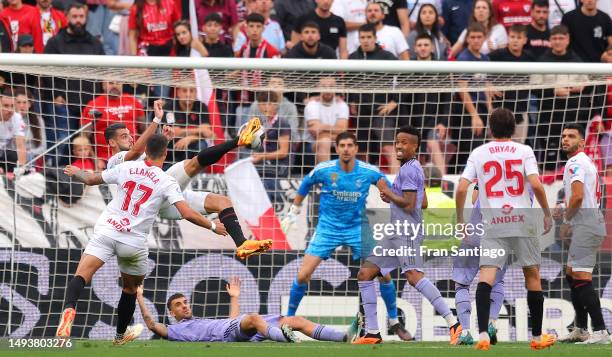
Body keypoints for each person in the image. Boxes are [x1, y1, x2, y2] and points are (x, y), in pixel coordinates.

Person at [56, 133, 229, 343]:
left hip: (108, 230)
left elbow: (91, 179)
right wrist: (212, 225)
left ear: (145, 151)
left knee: (81, 276)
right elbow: (186, 213)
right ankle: (120, 335)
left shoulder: (125, 167)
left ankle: (68, 310)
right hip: (133, 242)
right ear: (165, 153)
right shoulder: (166, 180)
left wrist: (76, 172)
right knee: (130, 289)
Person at [281, 131, 413, 342]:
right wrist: (293, 212)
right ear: (336, 148)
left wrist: (386, 193)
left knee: (384, 274)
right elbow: (305, 184)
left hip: (357, 228)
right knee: (302, 275)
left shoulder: (368, 171)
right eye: (342, 145)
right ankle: (287, 321)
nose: (346, 149)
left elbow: (383, 184)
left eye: (350, 145)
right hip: (327, 228)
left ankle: (394, 321)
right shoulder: (324, 170)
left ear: (356, 148)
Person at [100, 101, 273, 259]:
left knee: (222, 202)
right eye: (124, 136)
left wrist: (164, 141)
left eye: (130, 134)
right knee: (192, 164)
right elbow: (136, 154)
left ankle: (242, 244)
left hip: (166, 196)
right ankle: (239, 140)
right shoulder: (115, 161)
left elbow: (151, 160)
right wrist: (156, 120)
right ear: (112, 143)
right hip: (157, 197)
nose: (130, 138)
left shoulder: (137, 156)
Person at [455, 107, 555, 350]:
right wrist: (546, 213)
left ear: (490, 129)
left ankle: (482, 335)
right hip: (522, 223)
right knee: (532, 277)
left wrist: (461, 220)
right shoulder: (525, 151)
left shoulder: (479, 153)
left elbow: (461, 188)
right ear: (513, 128)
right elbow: (537, 185)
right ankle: (537, 336)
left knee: (486, 277)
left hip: (494, 225)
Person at [354, 126, 461, 345]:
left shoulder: (410, 169)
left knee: (413, 277)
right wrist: (393, 197)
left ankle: (454, 323)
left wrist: (389, 193)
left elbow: (412, 205)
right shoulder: (411, 168)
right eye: (397, 141)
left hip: (407, 232)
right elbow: (423, 201)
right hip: (395, 232)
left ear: (415, 147)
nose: (399, 146)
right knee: (365, 274)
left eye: (404, 142)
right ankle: (373, 333)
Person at [136, 277, 347, 343]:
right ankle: (285, 338)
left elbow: (233, 322)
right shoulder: (175, 331)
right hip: (231, 333)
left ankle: (344, 337)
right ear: (172, 313)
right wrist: (138, 296)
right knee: (253, 317)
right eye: (178, 305)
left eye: (185, 302)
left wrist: (234, 298)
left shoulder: (200, 320)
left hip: (237, 330)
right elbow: (152, 324)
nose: (184, 306)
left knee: (295, 320)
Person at [557, 124, 610, 344]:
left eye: (571, 136)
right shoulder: (584, 162)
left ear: (582, 142)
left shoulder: (575, 162)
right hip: (589, 224)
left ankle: (600, 331)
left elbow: (578, 197)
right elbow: (580, 196)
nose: (565, 139)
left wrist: (567, 220)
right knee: (571, 273)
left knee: (581, 277)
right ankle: (581, 329)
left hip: (586, 227)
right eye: (563, 136)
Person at [451, 184, 506, 345]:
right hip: (501, 237)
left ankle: (466, 332)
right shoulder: (521, 176)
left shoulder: (485, 165)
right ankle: (491, 323)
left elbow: (473, 197)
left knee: (461, 284)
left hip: (473, 235)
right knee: (497, 281)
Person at [349, 23, 401, 173]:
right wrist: (352, 100)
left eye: (368, 37)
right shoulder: (353, 58)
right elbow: (349, 82)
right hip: (362, 111)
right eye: (362, 37)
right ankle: (361, 182)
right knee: (361, 151)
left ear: (375, 38)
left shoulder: (388, 57)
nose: (365, 40)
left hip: (381, 110)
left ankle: (396, 183)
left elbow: (404, 79)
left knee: (388, 147)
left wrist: (395, 101)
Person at [453, 22, 492, 172]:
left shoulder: (485, 59)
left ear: (484, 38)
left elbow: (486, 86)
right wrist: (474, 115)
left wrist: (490, 111)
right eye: (473, 37)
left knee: (480, 149)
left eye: (479, 37)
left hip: (481, 108)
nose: (476, 40)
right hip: (467, 111)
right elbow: (462, 89)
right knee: (468, 151)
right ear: (468, 39)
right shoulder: (464, 58)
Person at [80, 80, 145, 171]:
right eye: (111, 83)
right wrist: (95, 159)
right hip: (105, 160)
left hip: (133, 156)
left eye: (118, 83)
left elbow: (145, 130)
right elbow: (84, 137)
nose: (115, 86)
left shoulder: (133, 101)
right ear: (103, 85)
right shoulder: (93, 105)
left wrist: (144, 152)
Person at [489, 24, 533, 143]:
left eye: (519, 37)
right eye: (512, 37)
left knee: (518, 148)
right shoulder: (497, 55)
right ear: (508, 38)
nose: (515, 40)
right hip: (499, 111)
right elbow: (481, 70)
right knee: (496, 147)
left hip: (520, 111)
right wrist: (488, 84)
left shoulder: (529, 57)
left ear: (525, 40)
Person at [250, 91, 291, 205]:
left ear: (276, 104)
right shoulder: (260, 123)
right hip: (264, 165)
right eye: (262, 103)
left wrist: (261, 157)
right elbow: (256, 147)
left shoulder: (282, 123)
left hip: (280, 165)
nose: (266, 107)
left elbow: (283, 152)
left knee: (260, 180)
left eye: (269, 103)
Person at [163, 86, 214, 165]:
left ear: (196, 93)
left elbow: (209, 133)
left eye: (191, 91)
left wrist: (189, 138)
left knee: (202, 145)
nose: (188, 94)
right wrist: (200, 130)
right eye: (184, 91)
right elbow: (174, 132)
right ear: (178, 93)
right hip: (171, 153)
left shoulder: (201, 107)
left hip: (191, 151)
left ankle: (196, 175)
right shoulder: (169, 107)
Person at [304, 77, 349, 164]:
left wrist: (323, 127)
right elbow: (315, 132)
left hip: (336, 144)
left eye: (331, 86)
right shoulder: (312, 105)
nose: (328, 89)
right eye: (324, 86)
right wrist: (335, 132)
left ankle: (347, 176)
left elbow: (343, 130)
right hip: (312, 146)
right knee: (325, 141)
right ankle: (325, 176)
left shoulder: (342, 105)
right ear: (318, 87)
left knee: (349, 142)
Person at [13, 86, 45, 163]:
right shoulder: (9, 119)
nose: (21, 106)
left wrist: (29, 153)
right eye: (18, 102)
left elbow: (43, 147)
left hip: (32, 159)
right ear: (14, 103)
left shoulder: (38, 120)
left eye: (25, 102)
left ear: (30, 104)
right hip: (13, 158)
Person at [0, 88, 26, 175]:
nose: (10, 110)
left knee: (14, 156)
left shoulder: (17, 117)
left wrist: (21, 167)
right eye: (6, 106)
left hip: (4, 154)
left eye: (12, 106)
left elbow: (20, 145)